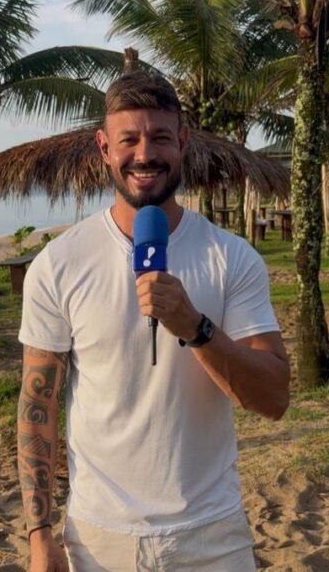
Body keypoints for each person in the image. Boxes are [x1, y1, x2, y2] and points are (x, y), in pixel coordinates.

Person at [16, 69, 290, 572]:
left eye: (160, 137)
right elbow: (38, 403)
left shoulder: (231, 258)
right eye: (129, 140)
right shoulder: (59, 264)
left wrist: (195, 327)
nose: (145, 154)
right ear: (104, 148)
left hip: (212, 535)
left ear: (182, 142)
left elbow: (274, 398)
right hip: (100, 539)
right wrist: (39, 535)